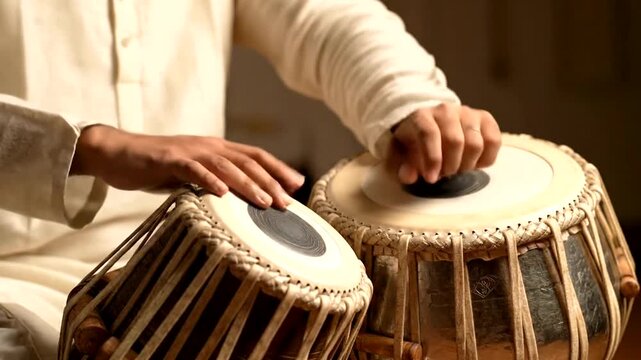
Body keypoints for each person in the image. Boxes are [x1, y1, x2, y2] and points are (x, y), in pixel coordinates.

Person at [0, 0, 501, 358]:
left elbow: (319, 14)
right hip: (15, 277)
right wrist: (92, 146)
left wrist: (408, 100)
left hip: (189, 263)